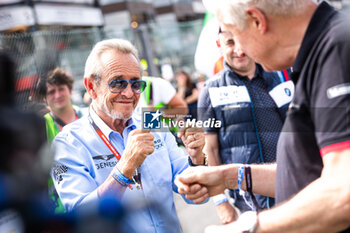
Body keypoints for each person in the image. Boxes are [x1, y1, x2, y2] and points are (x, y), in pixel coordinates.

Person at [175, 0, 350, 232]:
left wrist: (251, 228)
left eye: (238, 36)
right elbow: (307, 170)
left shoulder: (335, 50)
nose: (240, 50)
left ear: (257, 21)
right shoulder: (322, 50)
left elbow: (343, 192)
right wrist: (229, 176)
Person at [50, 38, 208, 233]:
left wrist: (196, 157)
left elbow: (191, 190)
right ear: (91, 87)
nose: (128, 93)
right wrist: (125, 167)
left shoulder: (152, 122)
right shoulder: (68, 144)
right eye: (117, 83)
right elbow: (82, 218)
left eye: (135, 84)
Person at [198, 25, 293, 224]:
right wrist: (220, 201)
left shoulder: (281, 76)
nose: (239, 50)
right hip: (248, 204)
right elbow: (210, 149)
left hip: (291, 188)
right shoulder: (210, 91)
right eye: (230, 43)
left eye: (242, 41)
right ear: (219, 46)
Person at [35, 67, 84, 214]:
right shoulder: (41, 125)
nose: (57, 95)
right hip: (60, 207)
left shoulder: (89, 115)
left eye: (61, 89)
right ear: (44, 98)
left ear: (70, 90)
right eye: (51, 92)